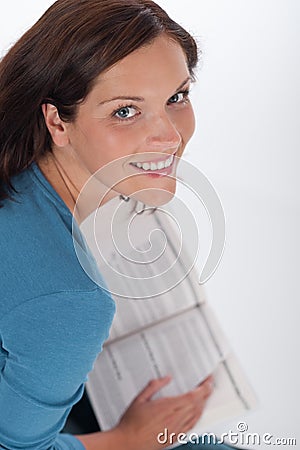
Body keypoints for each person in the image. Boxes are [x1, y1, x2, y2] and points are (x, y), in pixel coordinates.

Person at [0, 1, 242, 449]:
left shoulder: (17, 168)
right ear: (57, 120)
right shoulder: (71, 299)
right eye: (126, 110)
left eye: (177, 97)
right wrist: (128, 438)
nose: (170, 135)